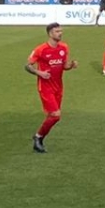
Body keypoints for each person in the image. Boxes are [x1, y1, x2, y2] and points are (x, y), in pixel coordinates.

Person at [26, 22, 76, 152]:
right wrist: (39, 73)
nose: (60, 33)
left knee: (52, 116)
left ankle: (39, 138)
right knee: (56, 115)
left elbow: (64, 66)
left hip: (58, 86)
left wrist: (71, 66)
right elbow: (28, 66)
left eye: (61, 31)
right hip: (45, 87)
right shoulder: (40, 49)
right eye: (57, 31)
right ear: (50, 33)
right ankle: (38, 137)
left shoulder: (64, 48)